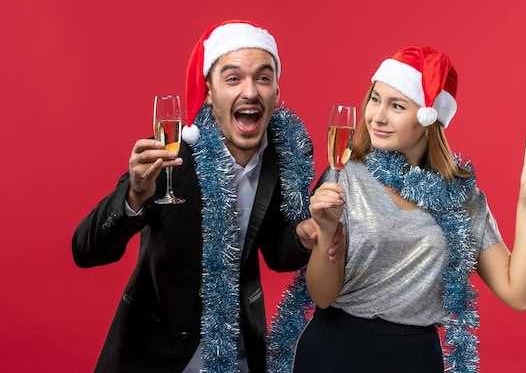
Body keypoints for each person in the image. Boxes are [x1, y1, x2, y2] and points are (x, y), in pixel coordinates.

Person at [72, 20, 341, 373]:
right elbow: (86, 250)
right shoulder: (172, 156)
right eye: (233, 79)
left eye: (263, 77)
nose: (250, 92)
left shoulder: (285, 153)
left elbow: (276, 252)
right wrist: (135, 196)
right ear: (210, 91)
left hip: (237, 350)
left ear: (276, 90)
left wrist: (303, 235)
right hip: (155, 352)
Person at [291, 46, 526, 373]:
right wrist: (328, 231)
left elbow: (517, 293)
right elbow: (321, 295)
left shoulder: (462, 199)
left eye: (397, 105)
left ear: (429, 118)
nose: (377, 116)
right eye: (375, 99)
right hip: (335, 351)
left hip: (415, 358)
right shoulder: (344, 177)